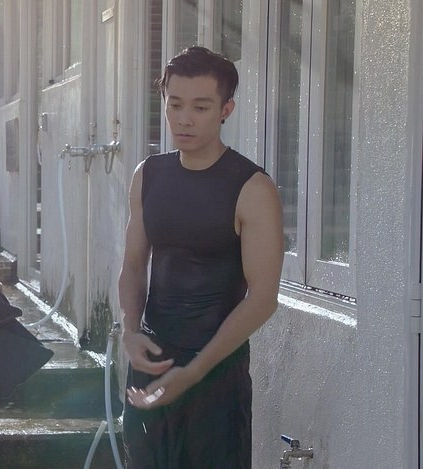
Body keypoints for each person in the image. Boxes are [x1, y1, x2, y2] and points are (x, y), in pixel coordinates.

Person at [118, 46, 284, 468]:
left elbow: (263, 299)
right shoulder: (148, 175)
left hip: (215, 375)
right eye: (175, 105)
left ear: (226, 109)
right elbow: (133, 265)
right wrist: (129, 330)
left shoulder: (252, 188)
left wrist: (194, 372)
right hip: (152, 362)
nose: (184, 119)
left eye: (201, 107)